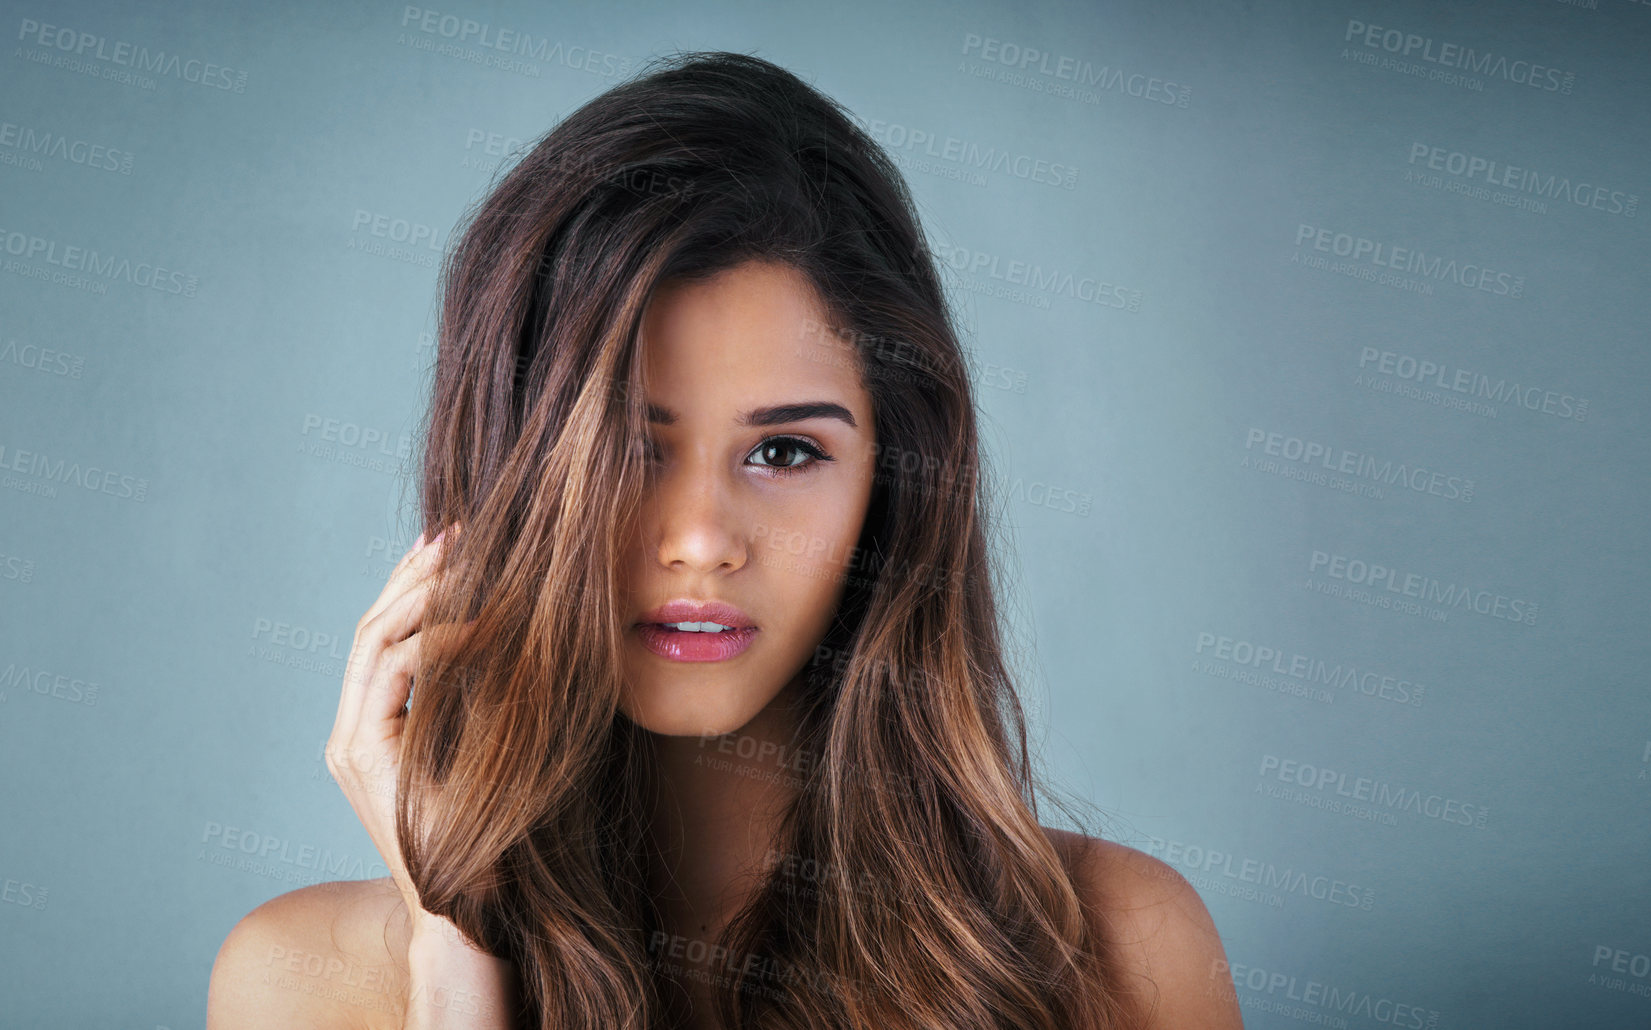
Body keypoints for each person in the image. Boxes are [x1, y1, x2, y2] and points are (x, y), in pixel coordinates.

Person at [207, 50, 1242, 1029]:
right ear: (504, 470)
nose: (701, 540)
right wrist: (455, 951)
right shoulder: (299, 983)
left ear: (893, 485)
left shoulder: (1123, 950)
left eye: (786, 453)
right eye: (624, 447)